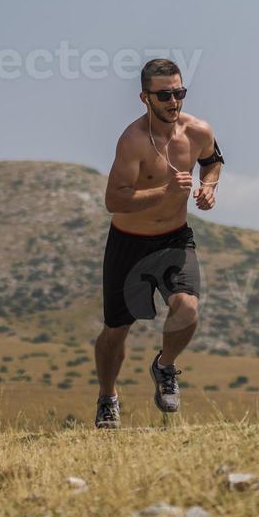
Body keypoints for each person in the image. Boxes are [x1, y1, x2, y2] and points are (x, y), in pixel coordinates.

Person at [94, 58, 223, 429]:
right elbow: (113, 201)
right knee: (116, 331)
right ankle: (108, 397)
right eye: (164, 94)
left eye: (179, 92)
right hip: (129, 243)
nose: (173, 101)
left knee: (187, 309)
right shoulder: (132, 141)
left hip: (174, 239)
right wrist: (164, 191)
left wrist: (209, 187)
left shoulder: (198, 131)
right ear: (144, 97)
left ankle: (165, 367)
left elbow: (213, 161)